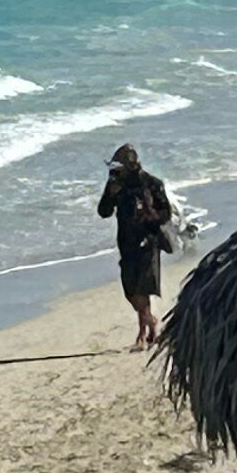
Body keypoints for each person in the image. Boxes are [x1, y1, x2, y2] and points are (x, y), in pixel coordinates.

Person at [94, 142, 175, 353]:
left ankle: (144, 334)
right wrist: (110, 194)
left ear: (130, 165)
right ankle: (150, 321)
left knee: (143, 289)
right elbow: (103, 211)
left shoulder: (151, 183)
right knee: (131, 292)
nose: (114, 171)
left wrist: (150, 215)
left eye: (118, 167)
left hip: (148, 242)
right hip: (126, 244)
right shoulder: (115, 183)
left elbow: (166, 213)